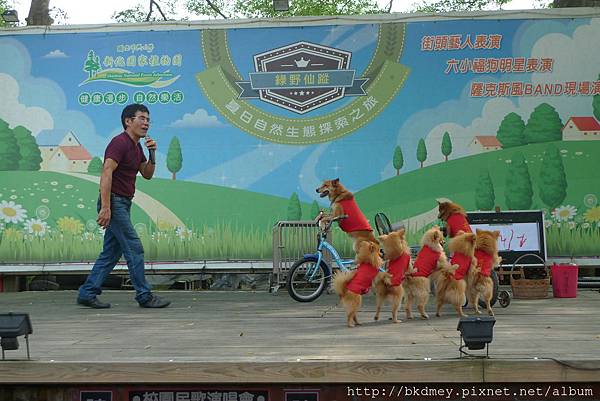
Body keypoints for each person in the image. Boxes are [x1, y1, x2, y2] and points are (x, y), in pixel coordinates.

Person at [77, 104, 170, 309]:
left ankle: (87, 292)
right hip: (114, 202)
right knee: (134, 248)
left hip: (123, 202)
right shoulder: (119, 143)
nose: (146, 123)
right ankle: (144, 296)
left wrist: (152, 152)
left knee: (111, 252)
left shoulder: (136, 146)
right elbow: (106, 172)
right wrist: (106, 207)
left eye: (148, 119)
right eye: (141, 118)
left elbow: (147, 173)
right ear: (128, 121)